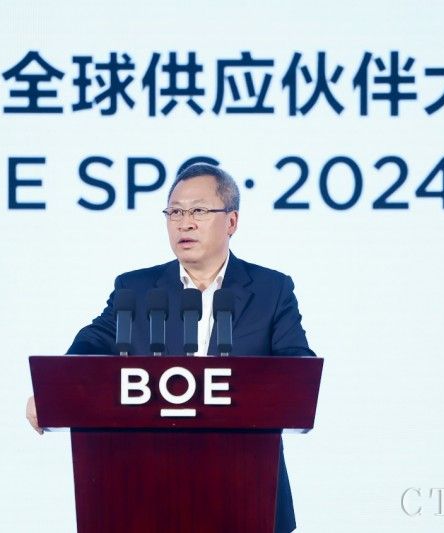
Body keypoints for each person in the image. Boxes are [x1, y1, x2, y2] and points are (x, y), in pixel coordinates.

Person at [27, 162, 316, 533]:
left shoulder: (271, 290)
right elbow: (93, 342)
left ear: (231, 221)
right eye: (175, 212)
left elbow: (297, 369)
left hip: (249, 492)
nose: (185, 223)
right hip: (146, 493)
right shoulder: (136, 289)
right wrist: (55, 392)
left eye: (199, 211)